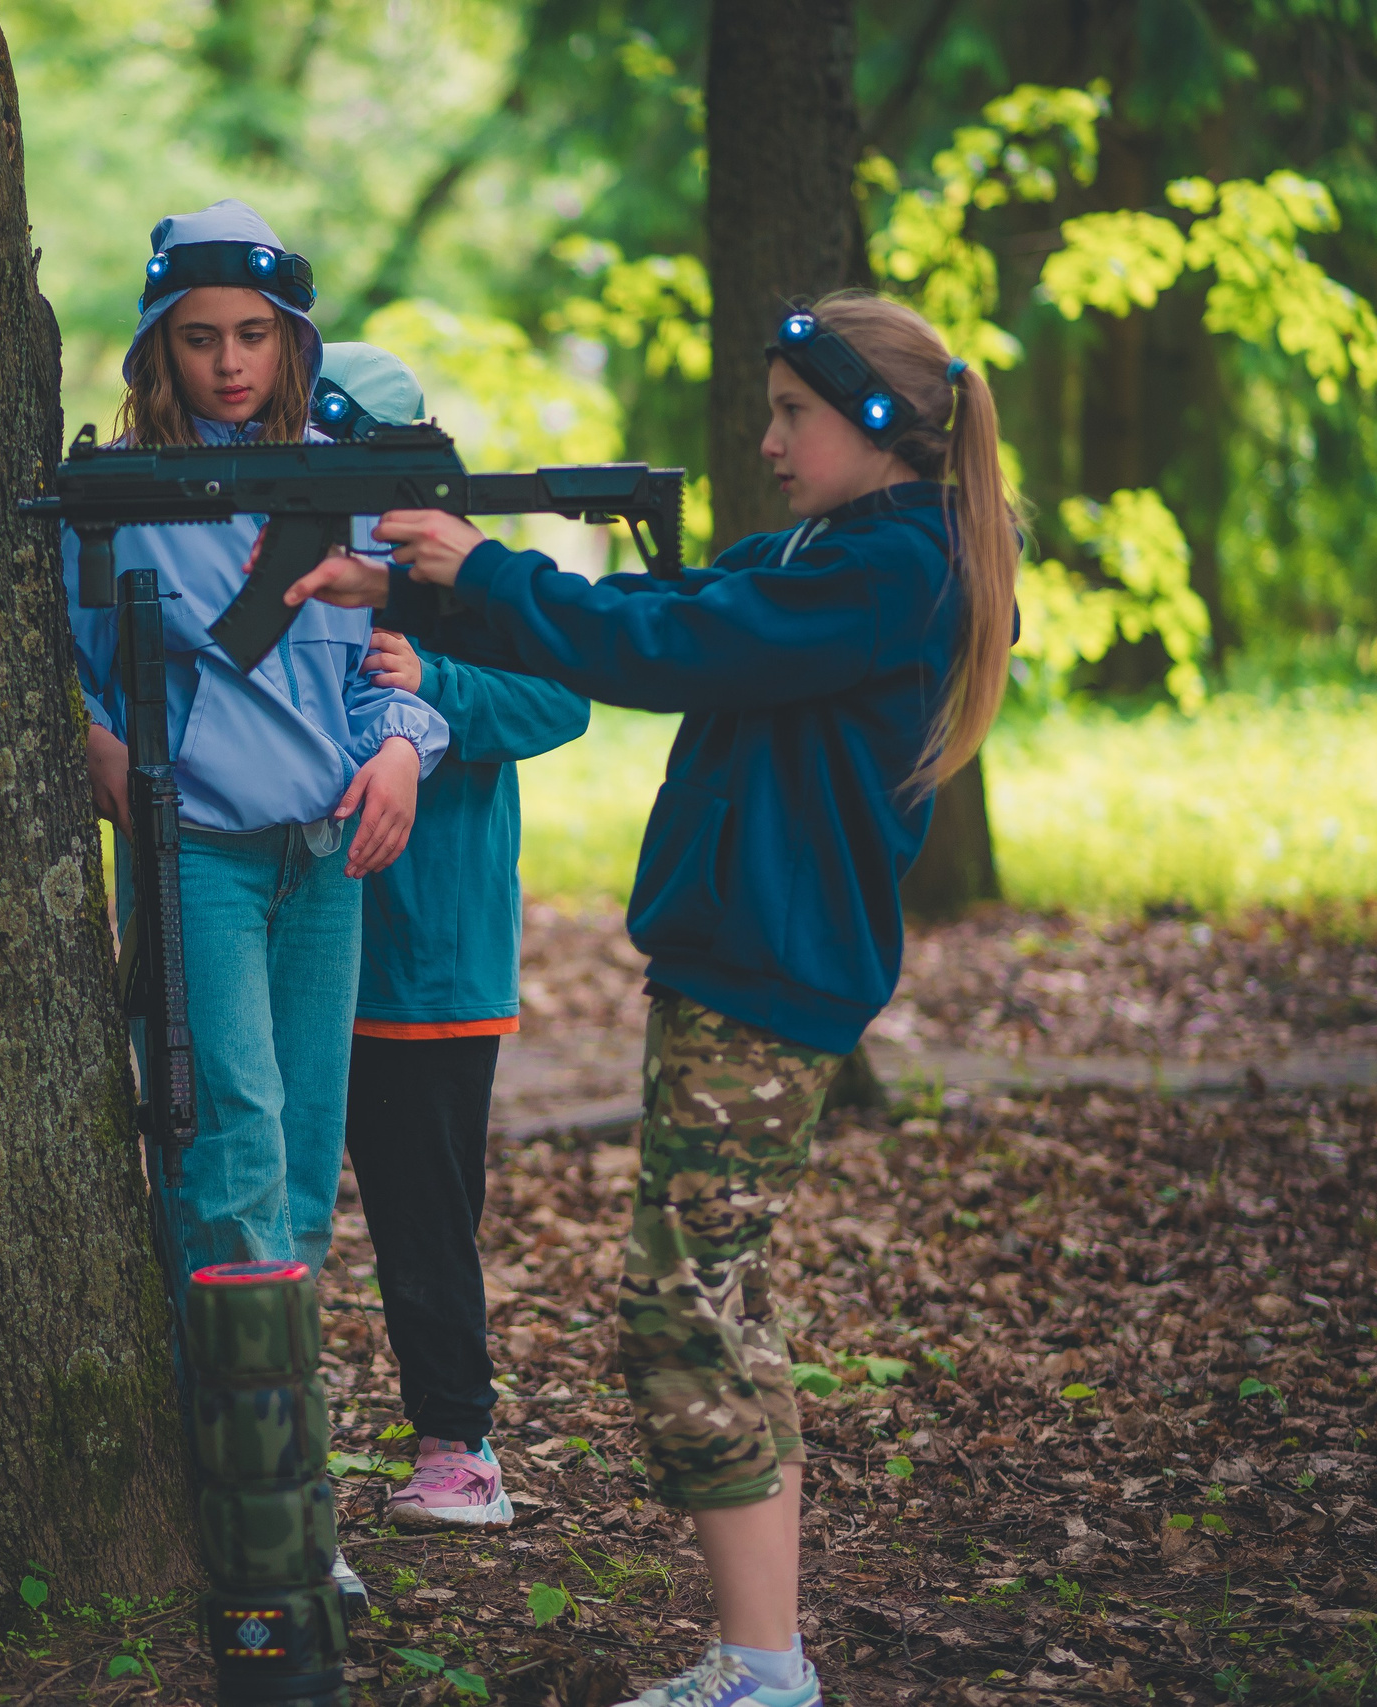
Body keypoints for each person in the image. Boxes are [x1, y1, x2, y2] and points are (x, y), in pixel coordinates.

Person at [281, 291, 1021, 1707]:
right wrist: (426, 585)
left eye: (793, 413)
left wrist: (478, 574)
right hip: (732, 959)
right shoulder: (830, 548)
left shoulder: (892, 568)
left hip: (771, 972)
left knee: (683, 1315)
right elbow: (662, 608)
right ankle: (763, 1656)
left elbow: (672, 652)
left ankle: (765, 1666)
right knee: (719, 1307)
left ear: (876, 425)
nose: (768, 438)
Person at [70, 203, 449, 1615]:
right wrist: (85, 741)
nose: (229, 362)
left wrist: (409, 739)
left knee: (293, 1178)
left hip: (322, 858)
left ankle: (269, 1490)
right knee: (228, 1157)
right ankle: (269, 1532)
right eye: (200, 335)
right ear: (159, 344)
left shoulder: (352, 484)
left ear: (292, 340)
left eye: (254, 335)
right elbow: (50, 661)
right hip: (197, 855)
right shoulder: (111, 495)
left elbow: (401, 665)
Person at [316, 344, 591, 1534]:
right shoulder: (280, 558)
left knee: (422, 1216)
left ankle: (457, 1449)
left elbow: (563, 697)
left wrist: (436, 680)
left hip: (429, 958)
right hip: (286, 932)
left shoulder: (473, 579)